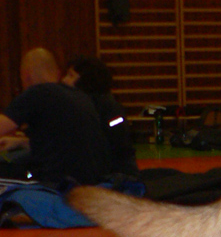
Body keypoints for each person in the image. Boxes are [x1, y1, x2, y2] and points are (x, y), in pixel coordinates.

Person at [0, 48, 111, 186]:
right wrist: (21, 142)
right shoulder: (80, 97)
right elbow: (64, 142)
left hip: (56, 184)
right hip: (89, 183)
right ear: (58, 74)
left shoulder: (37, 93)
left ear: (26, 75)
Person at [63, 55, 140, 177]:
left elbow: (114, 148)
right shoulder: (81, 105)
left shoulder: (107, 109)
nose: (64, 80)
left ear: (85, 80)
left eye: (70, 75)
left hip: (115, 176)